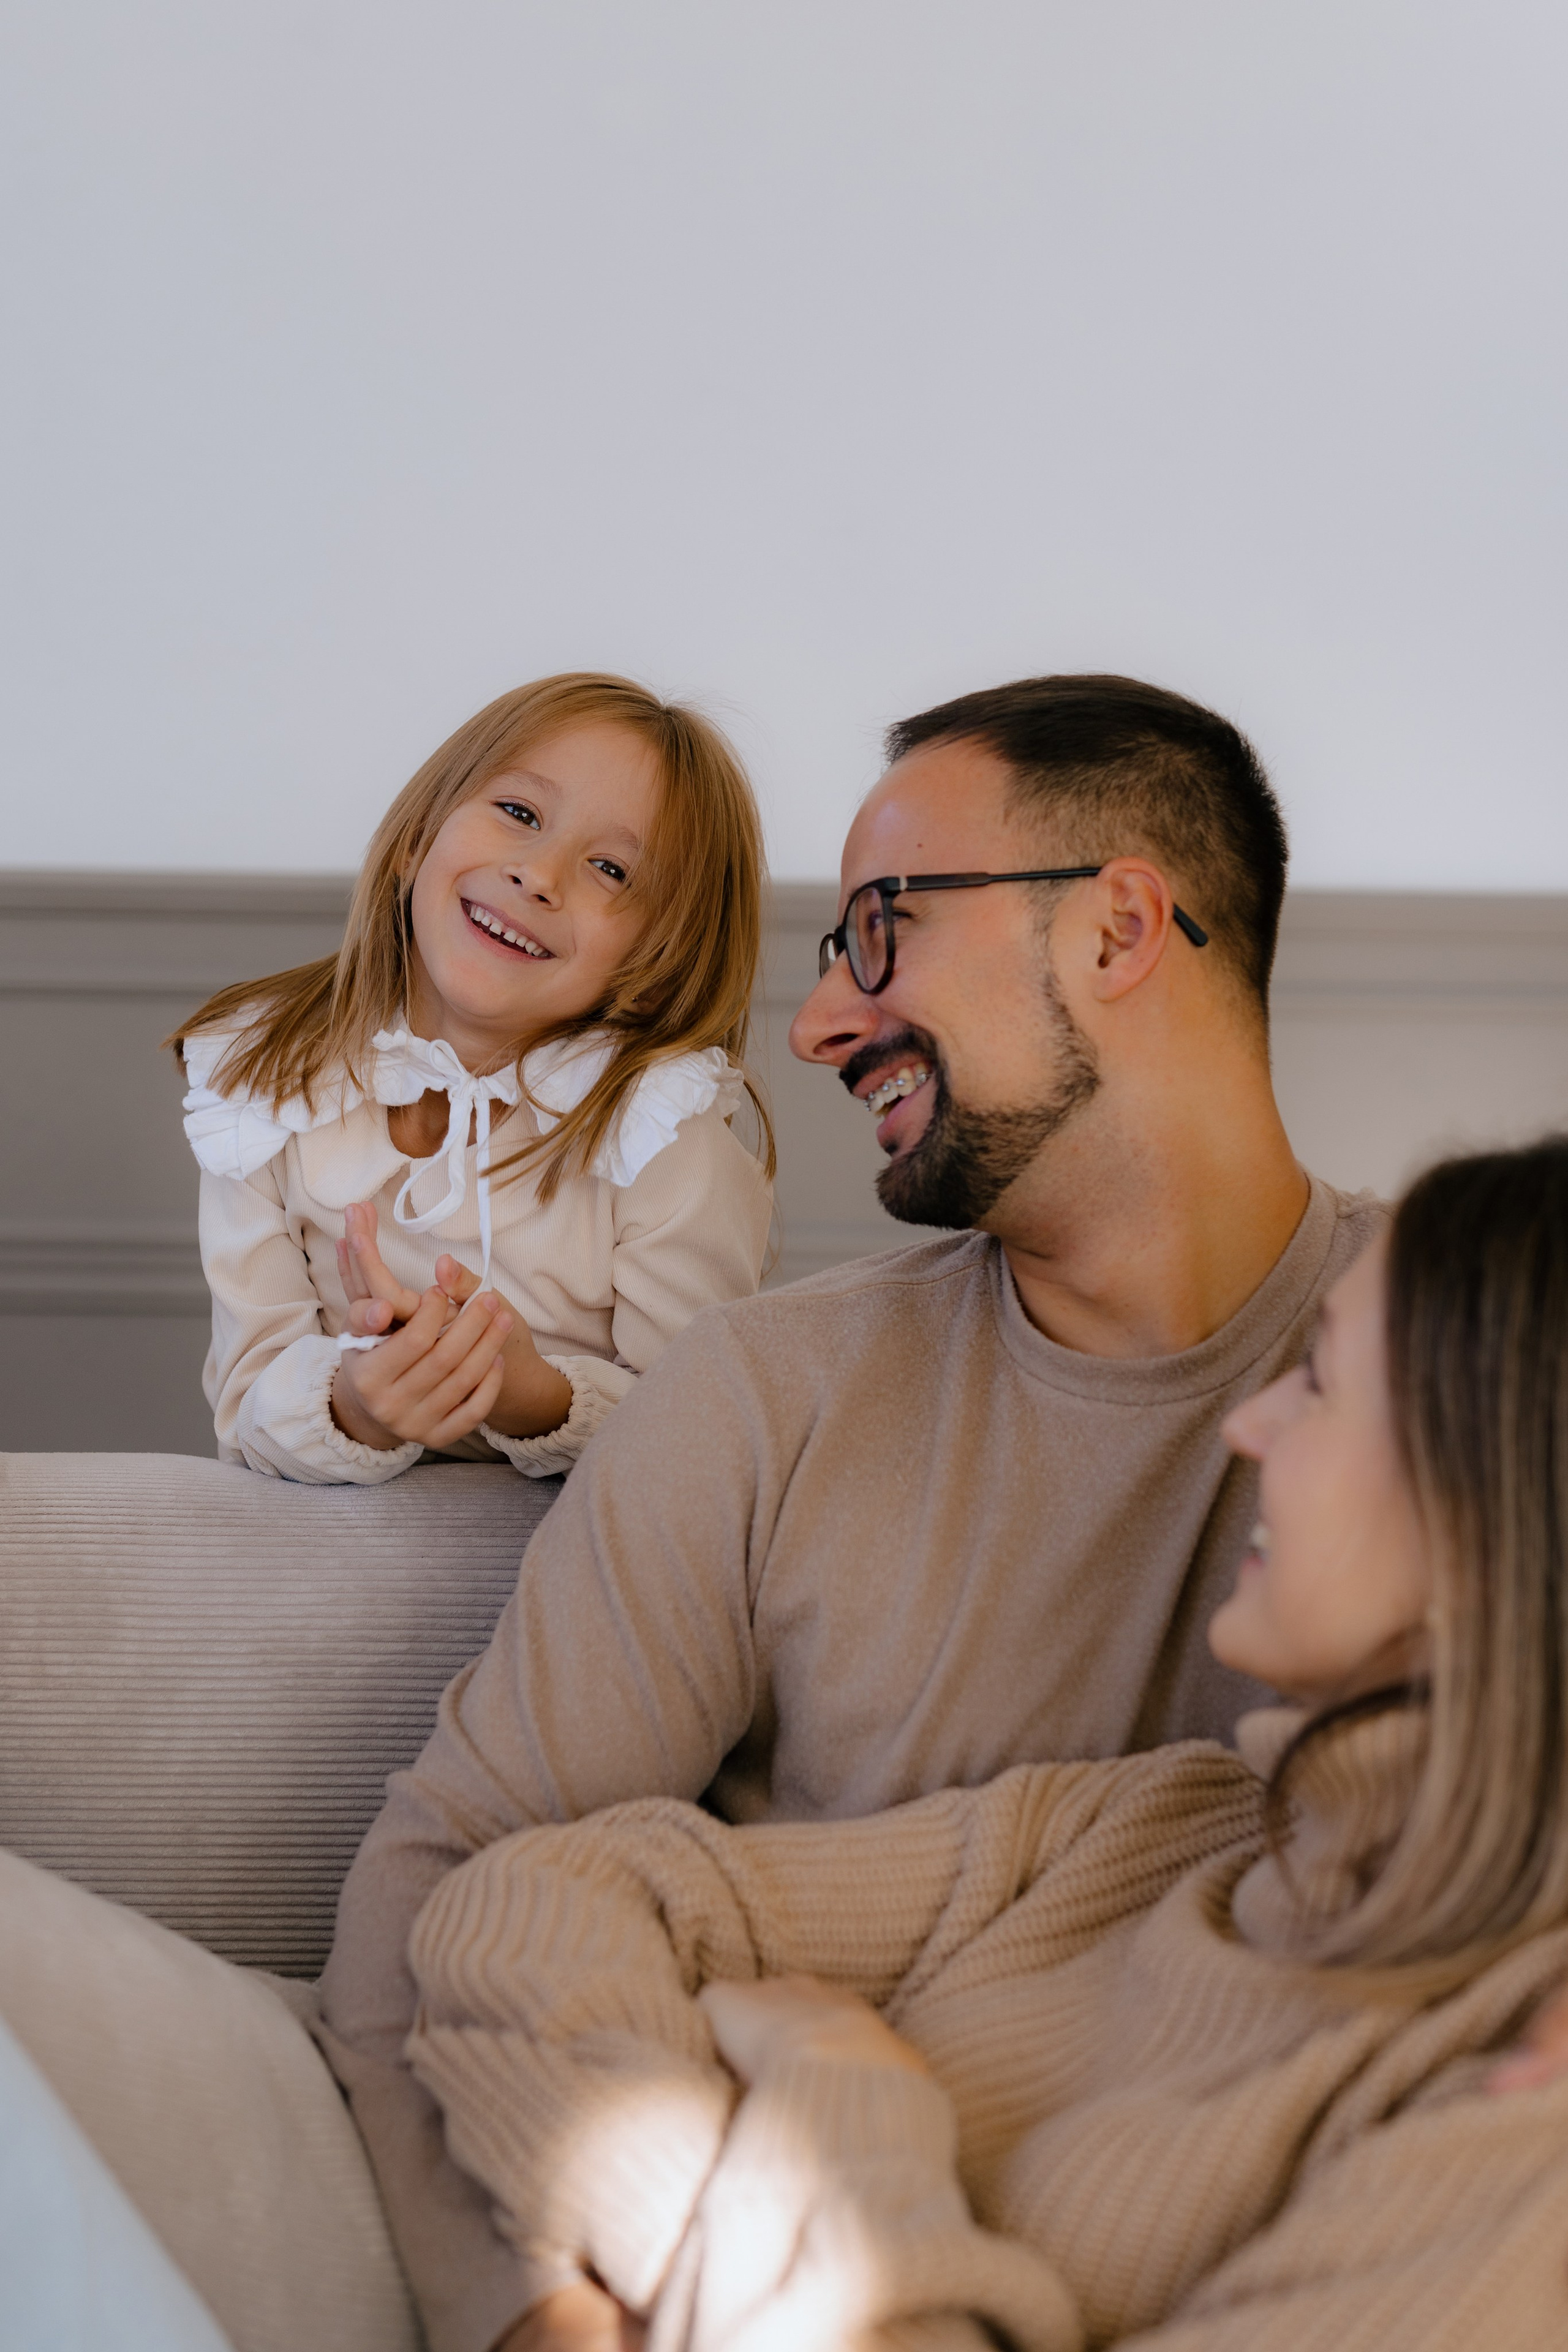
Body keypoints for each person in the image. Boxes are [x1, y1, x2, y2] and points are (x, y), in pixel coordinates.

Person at [315, 673, 1388, 2351]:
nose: (817, 1025)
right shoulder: (766, 1395)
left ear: (1119, 927)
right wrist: (533, 2313)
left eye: (878, 931)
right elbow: (453, 1882)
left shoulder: (1467, 1382)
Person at [403, 1135, 1568, 2352]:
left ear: (1489, 1518)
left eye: (1320, 1382)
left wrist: (836, 2101)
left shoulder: (1514, 2112)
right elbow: (526, 1902)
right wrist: (701, 2255)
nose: (1250, 1423)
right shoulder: (1172, 1829)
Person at [171, 673, 774, 1484]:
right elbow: (246, 1408)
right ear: (419, 836)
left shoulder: (665, 1142)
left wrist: (526, 1394)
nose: (539, 875)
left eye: (611, 870)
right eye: (519, 814)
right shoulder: (269, 1086)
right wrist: (357, 1405)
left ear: (660, 958)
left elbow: (700, 1446)